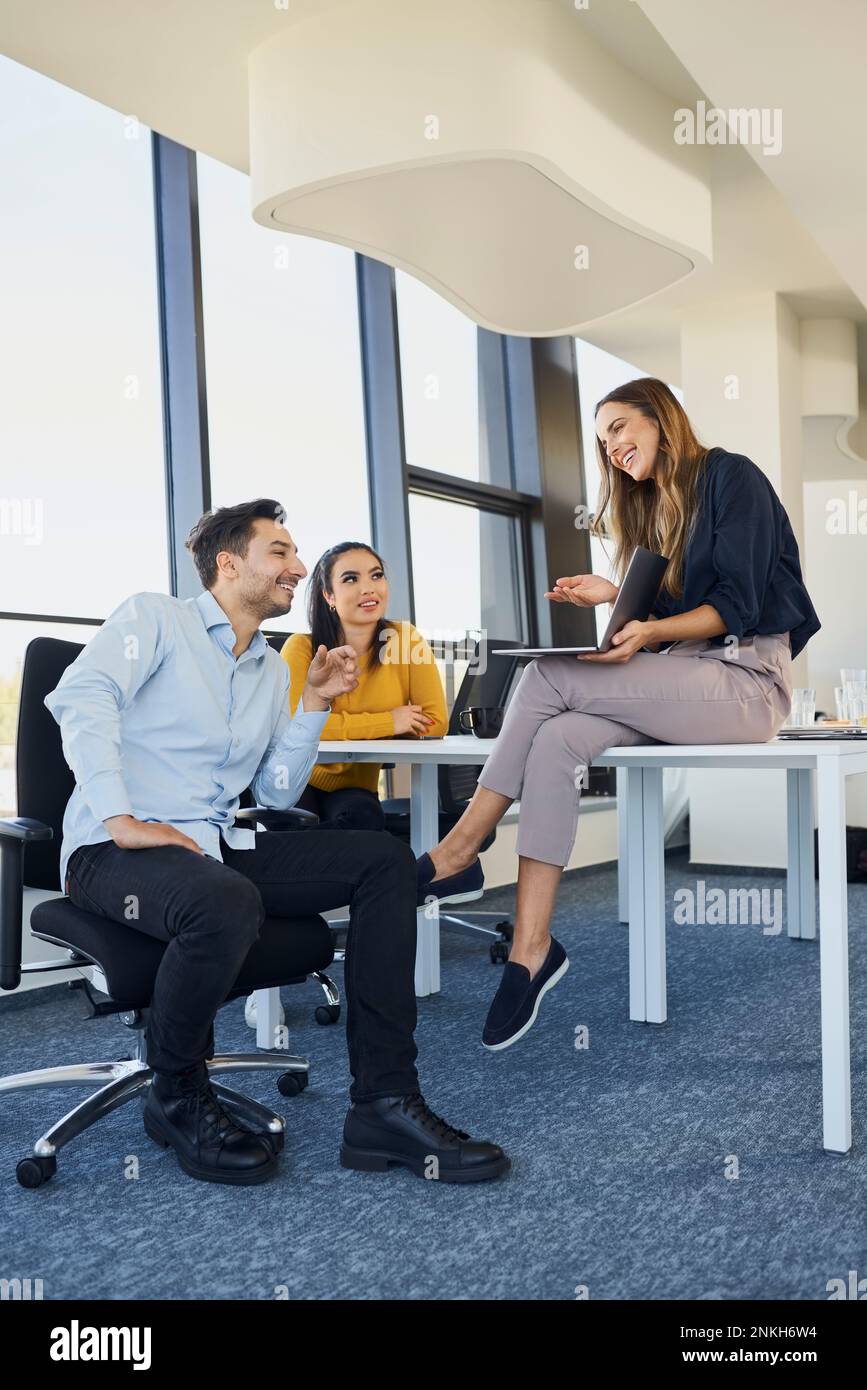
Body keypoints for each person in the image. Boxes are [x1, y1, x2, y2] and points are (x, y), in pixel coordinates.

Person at [45, 499, 509, 1187]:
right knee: (222, 902)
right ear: (229, 564)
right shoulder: (156, 619)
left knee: (381, 862)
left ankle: (384, 1103)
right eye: (281, 553)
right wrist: (119, 818)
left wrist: (314, 706)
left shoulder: (266, 668)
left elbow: (277, 792)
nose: (297, 568)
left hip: (216, 842)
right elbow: (80, 698)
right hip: (111, 851)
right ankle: (174, 1091)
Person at [416, 378, 821, 1051]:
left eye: (618, 427)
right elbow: (661, 620)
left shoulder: (728, 477)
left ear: (661, 419)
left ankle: (460, 848)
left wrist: (649, 632)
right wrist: (615, 596)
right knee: (556, 740)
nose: (609, 447)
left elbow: (737, 606)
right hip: (688, 674)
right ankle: (530, 947)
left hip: (745, 680)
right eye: (601, 438)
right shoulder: (651, 510)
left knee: (547, 675)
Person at [282, 541, 448, 831]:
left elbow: (435, 723)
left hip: (355, 788)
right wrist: (391, 721)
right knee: (299, 835)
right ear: (328, 596)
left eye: (376, 575)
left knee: (363, 822)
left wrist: (342, 727)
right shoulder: (301, 648)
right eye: (350, 579)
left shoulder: (404, 640)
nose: (369, 588)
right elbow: (298, 728)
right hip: (295, 779)